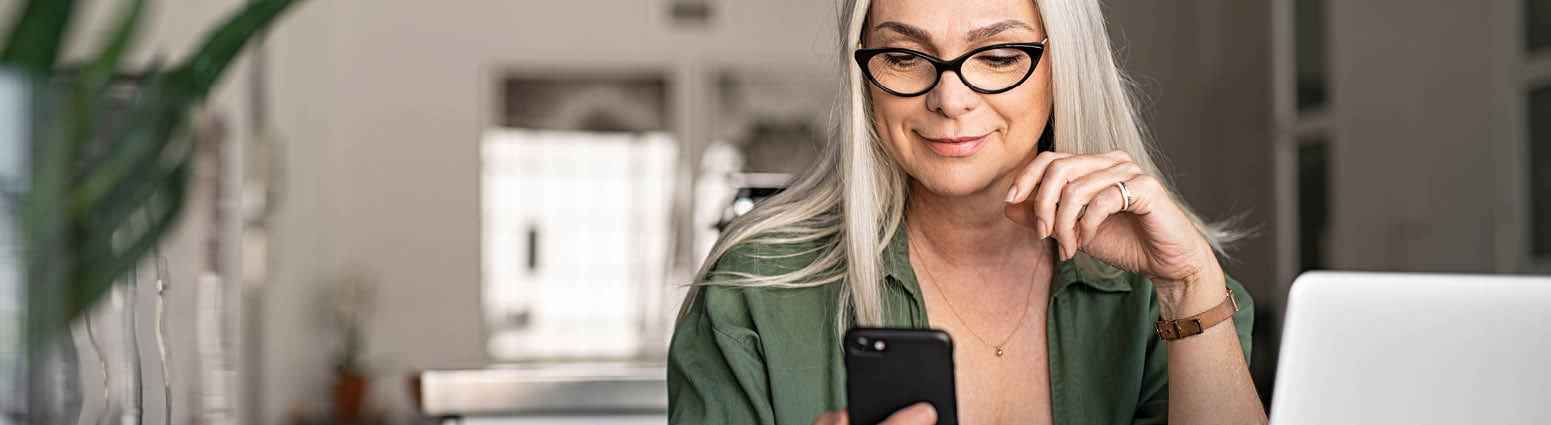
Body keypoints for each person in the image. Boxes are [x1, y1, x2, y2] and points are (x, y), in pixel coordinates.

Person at [667, 0, 1268, 423]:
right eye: (903, 57)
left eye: (999, 56)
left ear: (1065, 67)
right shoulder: (750, 293)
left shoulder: (1164, 294)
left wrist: (1189, 283)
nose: (949, 100)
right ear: (864, 76)